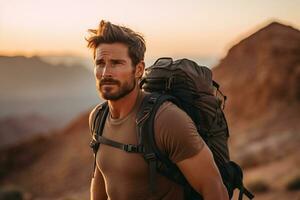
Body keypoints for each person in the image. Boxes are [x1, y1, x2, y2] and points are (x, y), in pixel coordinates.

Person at [86, 20, 229, 200]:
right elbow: (100, 185)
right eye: (100, 63)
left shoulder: (166, 120)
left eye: (116, 63)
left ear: (138, 70)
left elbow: (215, 189)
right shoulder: (98, 117)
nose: (106, 72)